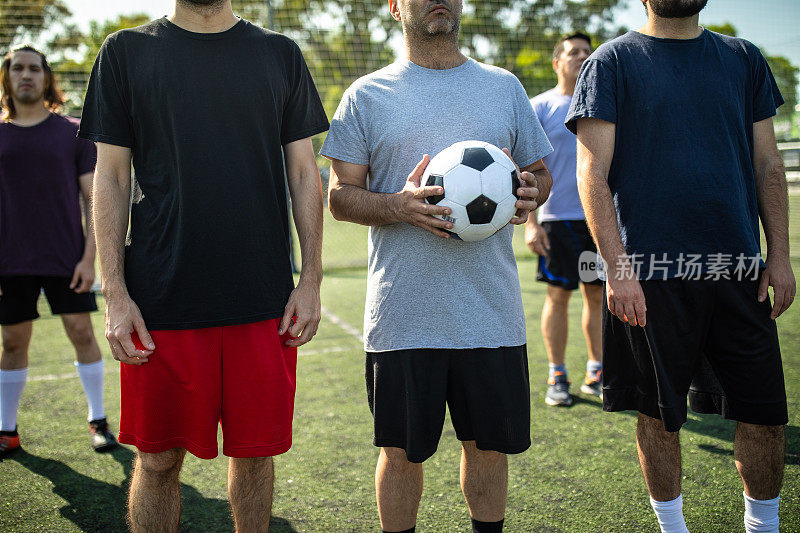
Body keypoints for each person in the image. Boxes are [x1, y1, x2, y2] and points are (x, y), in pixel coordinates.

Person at [78, 0, 328, 530]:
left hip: (262, 298)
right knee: (159, 459)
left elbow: (306, 174)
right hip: (159, 298)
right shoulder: (126, 52)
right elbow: (111, 178)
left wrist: (310, 280)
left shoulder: (279, 54)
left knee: (256, 455)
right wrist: (115, 294)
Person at [320, 0, 553, 531]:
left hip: (490, 313)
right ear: (395, 7)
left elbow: (541, 176)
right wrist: (398, 206)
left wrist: (526, 195)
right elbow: (339, 198)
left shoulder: (503, 87)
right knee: (401, 453)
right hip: (404, 316)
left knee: (490, 449)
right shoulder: (367, 94)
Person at [566, 1, 794, 532]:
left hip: (738, 271)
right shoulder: (611, 61)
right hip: (650, 275)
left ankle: (764, 526)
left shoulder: (743, 58)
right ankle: (672, 527)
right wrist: (617, 271)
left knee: (764, 416)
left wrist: (778, 257)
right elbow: (591, 172)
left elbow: (767, 163)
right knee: (658, 415)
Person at [0, 46, 118, 457]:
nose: (26, 75)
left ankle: (98, 421)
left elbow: (94, 200)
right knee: (12, 342)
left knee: (82, 333)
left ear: (46, 78)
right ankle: (7, 429)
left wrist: (90, 259)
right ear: (7, 78)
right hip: (10, 262)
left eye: (34, 68)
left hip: (67, 259)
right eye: (18, 68)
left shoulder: (72, 132)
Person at [526, 32, 603, 407]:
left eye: (587, 52)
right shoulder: (538, 107)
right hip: (557, 221)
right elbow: (525, 169)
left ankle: (598, 370)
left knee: (597, 295)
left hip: (598, 222)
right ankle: (557, 374)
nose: (582, 57)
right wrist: (531, 222)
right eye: (573, 52)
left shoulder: (604, 104)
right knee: (558, 296)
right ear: (557, 62)